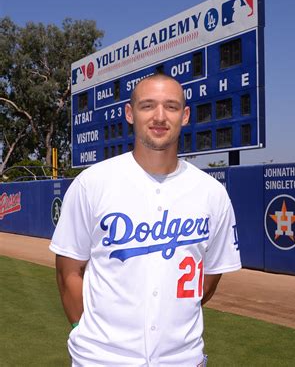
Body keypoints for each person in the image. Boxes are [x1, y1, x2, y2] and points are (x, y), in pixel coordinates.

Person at [50, 74, 241, 366]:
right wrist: (82, 330)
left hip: (182, 359)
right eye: (148, 106)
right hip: (101, 360)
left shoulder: (212, 193)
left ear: (185, 115)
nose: (160, 116)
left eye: (172, 107)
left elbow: (210, 277)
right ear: (130, 113)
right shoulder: (93, 183)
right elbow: (68, 272)